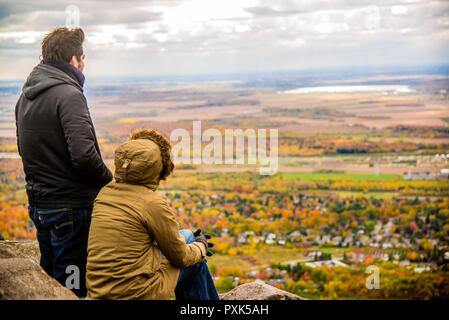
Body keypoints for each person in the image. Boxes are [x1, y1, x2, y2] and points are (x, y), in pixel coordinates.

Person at [15, 27, 112, 297]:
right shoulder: (69, 95)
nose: (84, 66)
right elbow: (84, 155)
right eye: (83, 59)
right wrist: (110, 182)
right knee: (73, 288)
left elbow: (24, 150)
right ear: (74, 60)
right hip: (71, 209)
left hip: (41, 206)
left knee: (49, 286)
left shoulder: (26, 97)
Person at [86, 128, 219, 300]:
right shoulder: (152, 203)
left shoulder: (105, 193)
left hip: (100, 290)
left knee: (187, 235)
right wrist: (201, 247)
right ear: (157, 167)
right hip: (135, 293)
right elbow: (181, 258)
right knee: (195, 262)